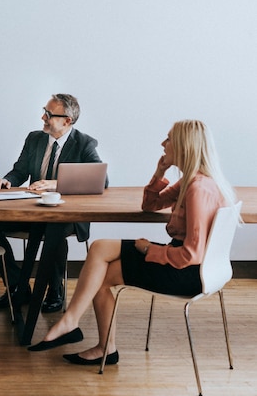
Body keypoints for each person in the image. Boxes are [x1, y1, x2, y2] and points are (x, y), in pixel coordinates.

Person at [28, 120, 238, 367]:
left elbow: (191, 254)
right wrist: (159, 173)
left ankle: (96, 341)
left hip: (187, 272)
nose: (163, 143)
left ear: (183, 145)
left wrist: (150, 250)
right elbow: (150, 205)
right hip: (188, 263)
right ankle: (74, 325)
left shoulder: (198, 189)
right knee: (100, 247)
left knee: (103, 275)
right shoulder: (192, 181)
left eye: (168, 139)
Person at [0, 94, 106, 312]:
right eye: (44, 111)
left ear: (67, 120)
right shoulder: (34, 138)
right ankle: (18, 284)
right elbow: (19, 171)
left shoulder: (84, 143)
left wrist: (55, 184)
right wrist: (7, 181)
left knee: (54, 229)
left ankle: (55, 289)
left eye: (48, 114)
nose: (42, 117)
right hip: (34, 212)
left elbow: (100, 180)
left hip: (66, 215)